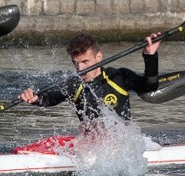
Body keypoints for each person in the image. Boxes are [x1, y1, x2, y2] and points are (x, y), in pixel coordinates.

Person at [18, 32, 161, 124]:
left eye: (85, 62)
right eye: (76, 63)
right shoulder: (74, 84)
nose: (80, 70)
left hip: (123, 145)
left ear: (98, 57)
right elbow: (50, 97)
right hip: (92, 146)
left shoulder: (119, 76)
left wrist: (150, 57)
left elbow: (149, 86)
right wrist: (35, 98)